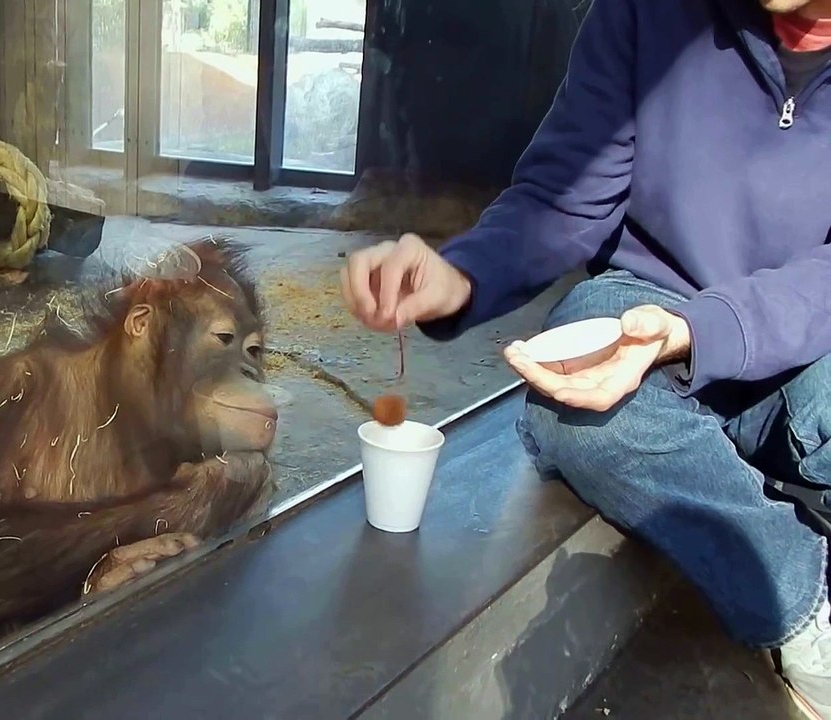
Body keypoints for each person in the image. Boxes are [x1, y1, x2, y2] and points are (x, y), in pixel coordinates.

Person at [340, 0, 831, 716]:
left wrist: (704, 327)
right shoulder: (644, 13)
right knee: (576, 409)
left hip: (804, 331)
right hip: (645, 298)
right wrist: (461, 276)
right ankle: (802, 599)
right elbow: (565, 198)